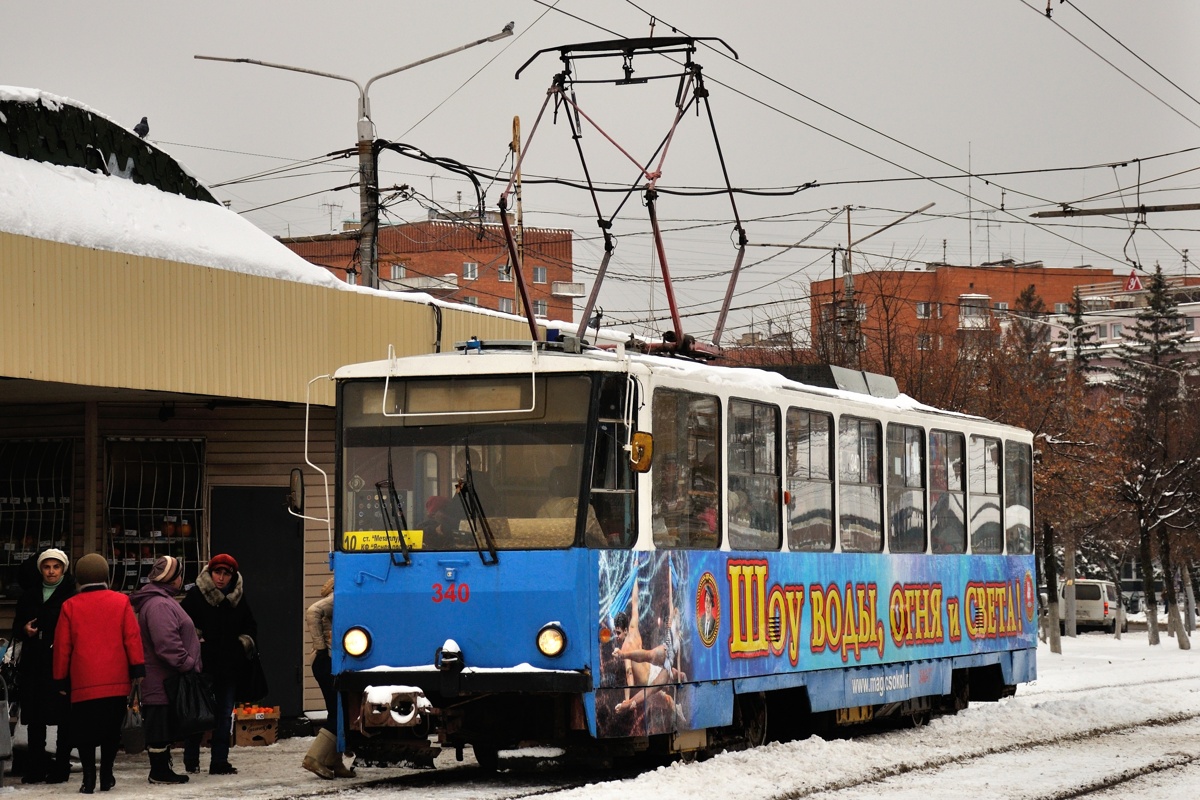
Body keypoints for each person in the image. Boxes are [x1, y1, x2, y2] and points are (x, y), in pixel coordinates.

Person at [52, 553, 145, 794]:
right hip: (115, 681)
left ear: (79, 578)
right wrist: (137, 668)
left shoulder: (70, 606)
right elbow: (132, 638)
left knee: (85, 732)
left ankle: (89, 779)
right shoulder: (121, 601)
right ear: (105, 575)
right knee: (111, 731)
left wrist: (60, 678)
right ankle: (107, 775)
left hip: (83, 682)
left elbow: (63, 647)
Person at [180, 553, 257, 776]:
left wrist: (243, 643)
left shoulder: (238, 597)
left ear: (232, 576)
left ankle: (219, 761)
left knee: (224, 715)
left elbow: (250, 626)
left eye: (226, 573)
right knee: (198, 713)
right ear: (210, 572)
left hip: (229, 666)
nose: (221, 578)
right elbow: (183, 623)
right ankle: (191, 759)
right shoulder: (196, 595)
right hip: (202, 665)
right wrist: (196, 639)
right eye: (217, 572)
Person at [130, 555, 201, 784]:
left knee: (163, 725)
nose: (182, 579)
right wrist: (187, 663)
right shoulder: (159, 604)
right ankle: (159, 772)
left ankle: (162, 769)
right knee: (159, 726)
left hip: (165, 679)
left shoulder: (161, 600)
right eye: (179, 574)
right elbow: (166, 644)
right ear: (172, 578)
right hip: (163, 679)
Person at [13, 547, 76, 784]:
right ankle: (36, 767)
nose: (51, 571)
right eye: (47, 567)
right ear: (41, 569)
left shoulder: (70, 594)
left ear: (63, 569)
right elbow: (19, 622)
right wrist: (24, 629)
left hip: (59, 660)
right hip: (33, 661)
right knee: (35, 717)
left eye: (56, 567)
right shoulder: (29, 595)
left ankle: (61, 767)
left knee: (62, 716)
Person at [301, 576, 355, 779]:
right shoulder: (339, 595)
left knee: (341, 709)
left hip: (329, 661)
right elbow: (313, 611)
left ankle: (335, 761)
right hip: (326, 661)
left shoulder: (339, 593)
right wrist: (322, 648)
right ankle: (314, 758)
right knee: (338, 712)